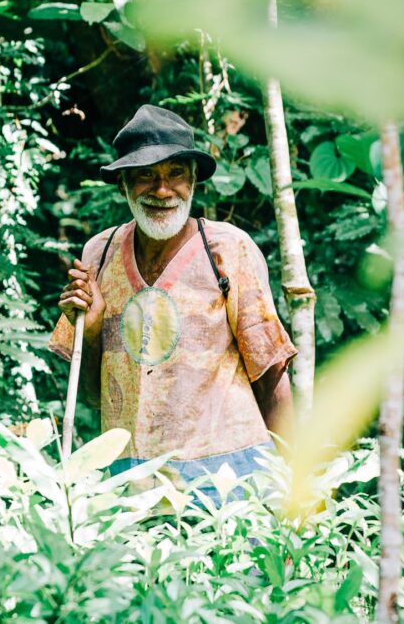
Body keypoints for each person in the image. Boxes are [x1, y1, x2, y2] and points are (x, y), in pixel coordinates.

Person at [49, 104, 297, 499]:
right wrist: (91, 327)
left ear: (194, 179)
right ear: (123, 185)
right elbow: (96, 394)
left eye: (175, 173)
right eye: (145, 175)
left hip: (230, 481)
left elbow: (271, 376)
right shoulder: (99, 254)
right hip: (132, 484)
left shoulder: (227, 249)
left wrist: (296, 487)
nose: (162, 190)